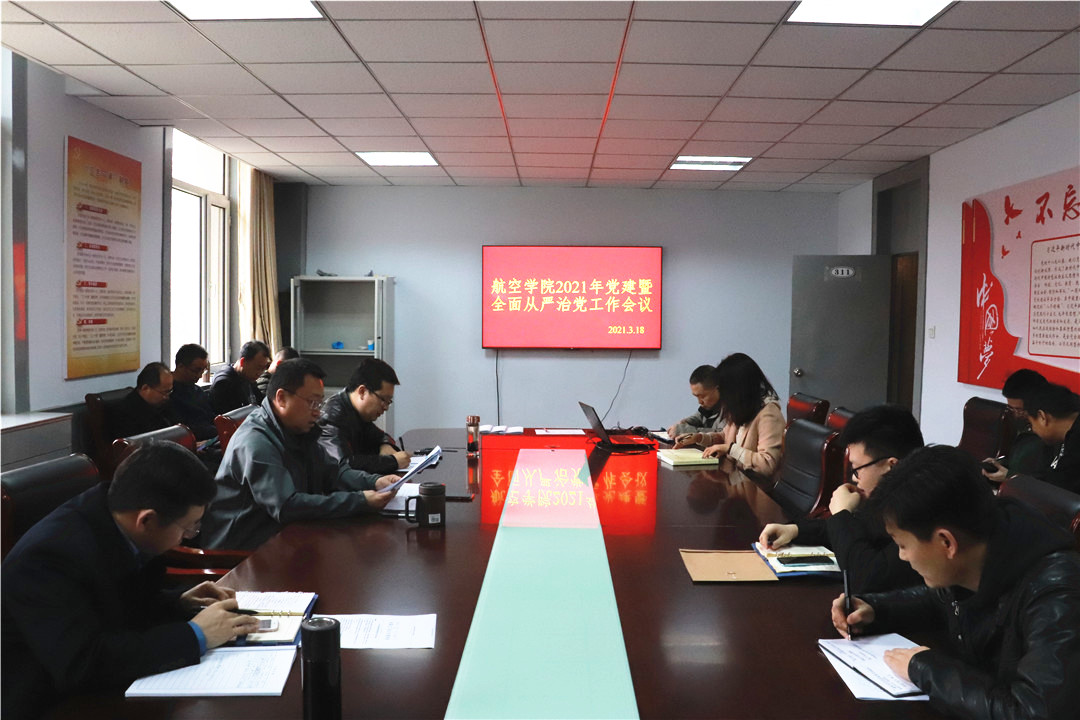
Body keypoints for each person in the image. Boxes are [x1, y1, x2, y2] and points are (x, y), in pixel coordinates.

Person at [1, 442, 260, 719]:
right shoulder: (47, 559)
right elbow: (84, 664)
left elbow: (121, 606)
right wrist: (196, 635)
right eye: (188, 528)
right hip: (52, 702)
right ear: (146, 520)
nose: (188, 537)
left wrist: (179, 603)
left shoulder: (116, 518)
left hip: (107, 685)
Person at [831, 445, 1080, 719]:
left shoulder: (1056, 592)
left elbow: (1032, 712)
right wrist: (876, 609)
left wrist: (925, 668)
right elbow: (941, 601)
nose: (902, 557)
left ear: (946, 542)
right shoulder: (982, 544)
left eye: (902, 545)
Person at [202, 358, 399, 551]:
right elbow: (287, 506)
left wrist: (374, 482)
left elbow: (332, 472)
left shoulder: (297, 429)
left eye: (319, 404)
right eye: (312, 403)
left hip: (280, 537)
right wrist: (360, 501)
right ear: (281, 398)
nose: (318, 412)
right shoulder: (256, 441)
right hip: (240, 552)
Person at [758, 405, 925, 593]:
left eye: (857, 469)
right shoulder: (888, 498)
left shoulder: (919, 512)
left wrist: (841, 514)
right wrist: (795, 530)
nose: (854, 477)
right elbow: (858, 528)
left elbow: (868, 577)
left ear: (891, 466)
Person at [674, 353, 784, 483]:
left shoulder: (769, 414)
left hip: (756, 489)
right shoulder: (742, 407)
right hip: (737, 482)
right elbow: (725, 436)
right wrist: (699, 438)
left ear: (739, 388)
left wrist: (730, 449)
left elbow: (767, 465)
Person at [318, 358, 410, 475]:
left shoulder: (358, 412)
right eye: (383, 399)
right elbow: (343, 465)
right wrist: (392, 461)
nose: (386, 407)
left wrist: (385, 444)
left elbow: (380, 435)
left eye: (389, 401)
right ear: (362, 391)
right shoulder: (332, 417)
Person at [982, 368, 1049, 482]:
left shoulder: (1052, 434)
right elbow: (1019, 462)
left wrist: (1009, 477)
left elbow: (1045, 481)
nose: (1016, 414)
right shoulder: (1023, 424)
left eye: (1020, 410)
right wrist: (999, 464)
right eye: (1011, 408)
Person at [1020, 381, 1080, 493]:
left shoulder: (1076, 443)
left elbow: (1058, 487)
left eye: (1031, 423)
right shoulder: (1069, 436)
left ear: (1042, 417)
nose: (1033, 429)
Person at [109, 362, 179, 440]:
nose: (167, 397)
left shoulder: (163, 404)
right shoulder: (124, 413)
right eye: (164, 392)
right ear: (145, 388)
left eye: (169, 391)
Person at [170, 343, 217, 441]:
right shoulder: (168, 392)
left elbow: (210, 416)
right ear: (180, 366)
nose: (200, 376)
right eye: (196, 370)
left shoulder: (197, 391)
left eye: (203, 370)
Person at [210, 340, 271, 414]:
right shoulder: (224, 383)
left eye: (263, 368)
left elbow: (261, 404)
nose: (260, 373)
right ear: (242, 362)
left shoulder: (248, 377)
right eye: (258, 368)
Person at [667, 364, 726, 440]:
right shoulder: (709, 406)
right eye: (696, 396)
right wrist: (684, 423)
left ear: (717, 389)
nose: (699, 402)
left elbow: (722, 434)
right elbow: (698, 418)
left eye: (702, 396)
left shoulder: (731, 408)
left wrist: (685, 430)